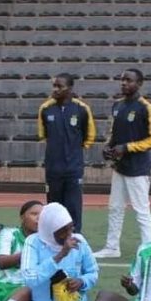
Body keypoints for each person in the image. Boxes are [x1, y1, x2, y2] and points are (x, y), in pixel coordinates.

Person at [93, 68, 151, 259]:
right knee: (115, 207)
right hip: (120, 167)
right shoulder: (117, 105)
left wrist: (128, 147)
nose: (124, 83)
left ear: (139, 84)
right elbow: (114, 133)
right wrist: (108, 146)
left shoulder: (146, 107)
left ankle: (147, 248)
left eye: (129, 80)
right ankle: (112, 247)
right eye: (122, 80)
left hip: (138, 168)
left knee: (141, 210)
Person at [37, 74, 95, 233]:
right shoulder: (45, 108)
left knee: (73, 206)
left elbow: (89, 137)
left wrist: (73, 152)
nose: (55, 89)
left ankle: (75, 237)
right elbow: (43, 135)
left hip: (73, 168)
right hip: (53, 168)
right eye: (54, 86)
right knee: (53, 207)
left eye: (59, 86)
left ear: (69, 88)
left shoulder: (82, 109)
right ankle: (53, 238)